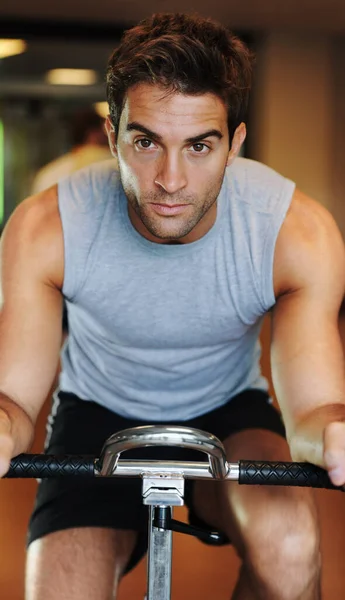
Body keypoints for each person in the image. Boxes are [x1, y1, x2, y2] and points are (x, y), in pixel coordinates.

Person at [0, 12, 345, 600]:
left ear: (234, 143)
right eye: (146, 142)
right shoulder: (45, 227)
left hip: (228, 411)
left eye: (200, 146)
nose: (170, 180)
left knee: (291, 546)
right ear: (112, 135)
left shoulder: (295, 232)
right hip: (95, 413)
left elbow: (315, 413)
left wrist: (334, 435)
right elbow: (12, 401)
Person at [31, 107, 111, 194]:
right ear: (93, 134)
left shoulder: (47, 174)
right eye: (105, 130)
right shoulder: (110, 164)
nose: (108, 136)